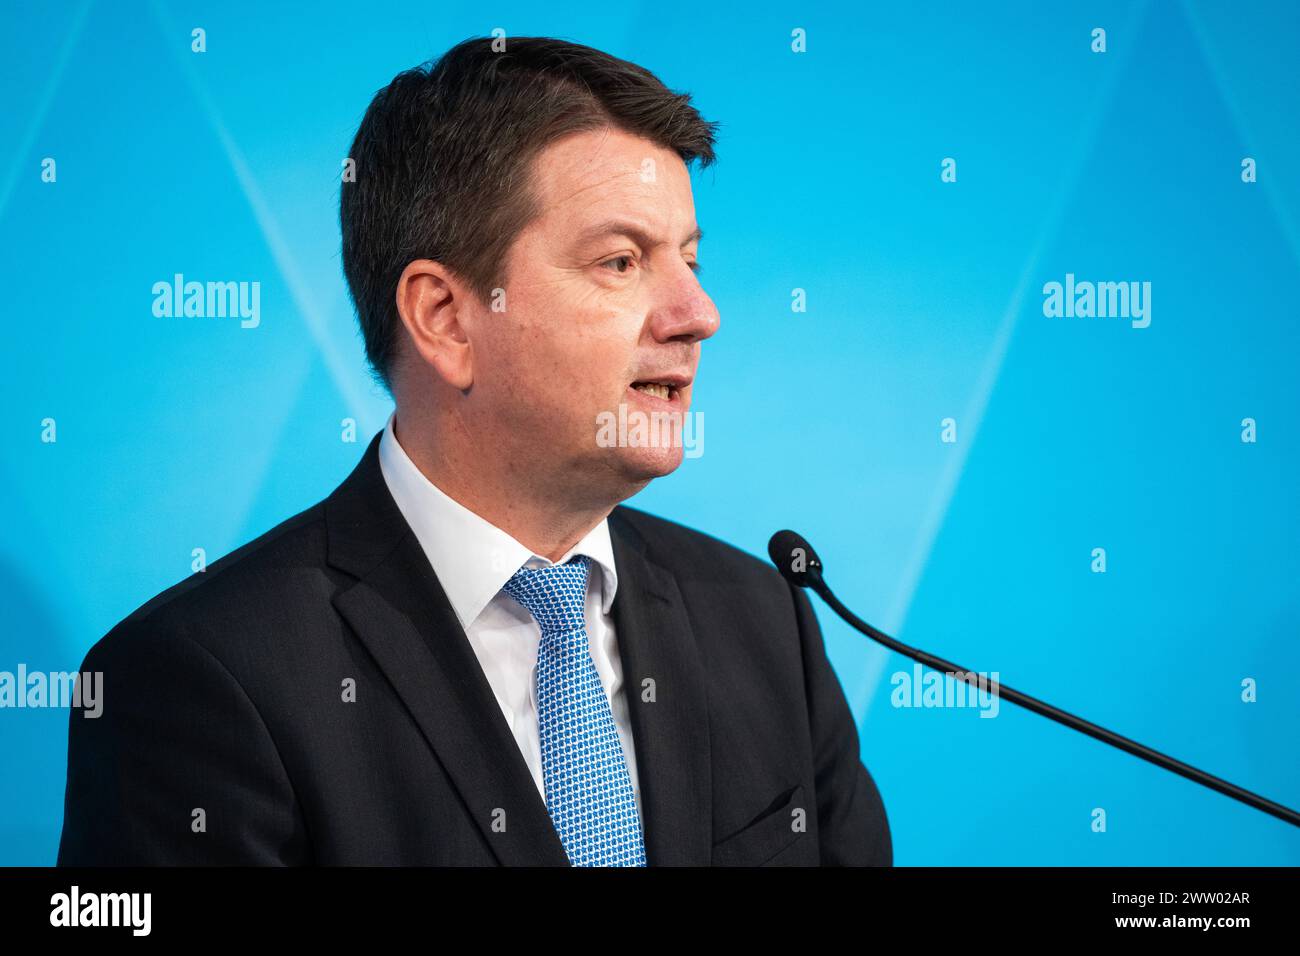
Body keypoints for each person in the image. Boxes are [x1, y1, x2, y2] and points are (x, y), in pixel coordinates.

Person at [57, 35, 891, 866]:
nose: (697, 313)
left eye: (692, 260)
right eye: (621, 261)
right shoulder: (198, 682)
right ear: (446, 319)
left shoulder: (762, 621)